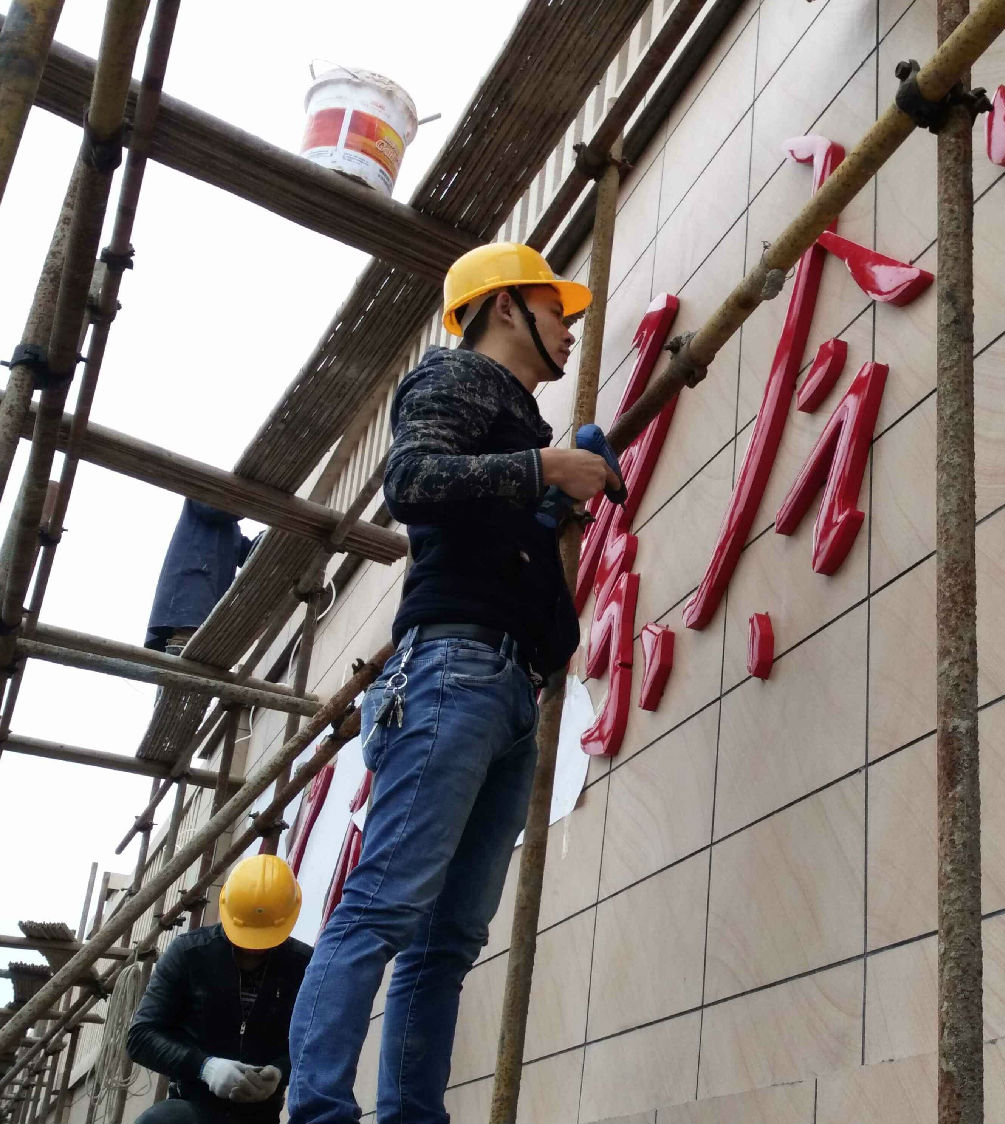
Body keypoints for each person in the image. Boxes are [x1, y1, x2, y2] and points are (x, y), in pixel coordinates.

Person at [286, 243, 619, 1124]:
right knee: (386, 906)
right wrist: (547, 469)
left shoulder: (509, 416)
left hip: (507, 688)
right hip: (454, 670)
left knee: (446, 943)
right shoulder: (457, 376)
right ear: (506, 307)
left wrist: (551, 495)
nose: (570, 331)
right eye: (559, 311)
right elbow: (411, 481)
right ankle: (318, 1111)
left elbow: (486, 518)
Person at [127, 855, 311, 1123]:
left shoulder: (303, 965)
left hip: (261, 1115)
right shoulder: (190, 954)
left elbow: (315, 1040)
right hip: (192, 1107)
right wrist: (205, 1067)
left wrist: (280, 1071)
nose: (254, 946)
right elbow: (141, 1036)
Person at [144, 500, 256, 654]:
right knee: (189, 642)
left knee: (198, 642)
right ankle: (184, 643)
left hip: (204, 607)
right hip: (190, 597)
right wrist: (254, 503)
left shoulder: (229, 529)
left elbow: (247, 553)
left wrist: (272, 536)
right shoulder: (205, 494)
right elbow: (211, 507)